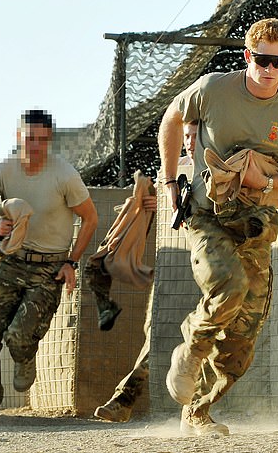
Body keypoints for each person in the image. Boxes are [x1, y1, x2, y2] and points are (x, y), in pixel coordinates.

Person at [158, 18, 278, 436]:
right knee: (227, 286)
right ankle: (190, 351)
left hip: (255, 222)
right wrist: (168, 181)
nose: (269, 69)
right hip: (205, 215)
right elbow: (171, 119)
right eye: (262, 59)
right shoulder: (215, 88)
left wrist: (268, 182)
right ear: (247, 55)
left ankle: (198, 410)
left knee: (245, 329)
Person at [0, 109, 98, 427]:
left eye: (40, 139)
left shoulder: (64, 175)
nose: (33, 144)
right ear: (18, 137)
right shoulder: (2, 171)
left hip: (46, 269)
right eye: (28, 137)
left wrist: (71, 262)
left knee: (20, 336)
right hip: (8, 263)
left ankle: (25, 356)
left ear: (48, 140)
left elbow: (90, 218)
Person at [94, 121, 197, 423]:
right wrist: (152, 205)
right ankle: (124, 401)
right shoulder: (172, 173)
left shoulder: (216, 166)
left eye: (194, 136)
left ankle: (190, 410)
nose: (189, 142)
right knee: (156, 335)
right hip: (172, 271)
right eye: (186, 136)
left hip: (209, 271)